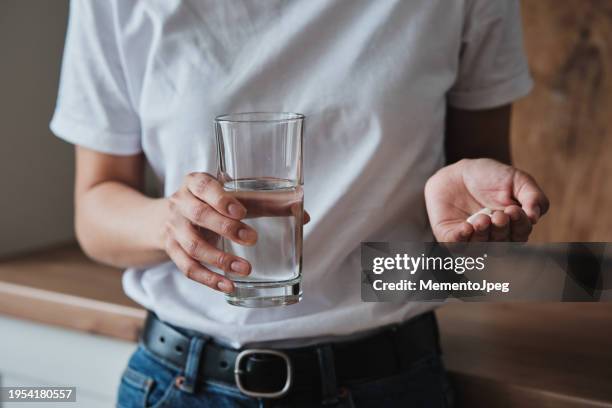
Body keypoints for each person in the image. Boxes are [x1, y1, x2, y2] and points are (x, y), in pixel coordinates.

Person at [50, 0, 549, 407]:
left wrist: (475, 226)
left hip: (390, 383)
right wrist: (168, 223)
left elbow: (475, 250)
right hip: (183, 383)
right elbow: (94, 212)